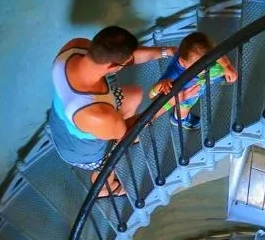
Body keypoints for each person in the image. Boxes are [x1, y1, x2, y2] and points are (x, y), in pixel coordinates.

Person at [48, 24, 174, 191]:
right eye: (125, 62)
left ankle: (115, 128)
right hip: (80, 151)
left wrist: (168, 51)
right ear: (112, 68)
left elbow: (128, 57)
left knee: (135, 94)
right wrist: (170, 103)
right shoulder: (97, 114)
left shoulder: (75, 47)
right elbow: (128, 136)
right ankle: (104, 188)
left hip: (60, 118)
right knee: (115, 151)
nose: (129, 62)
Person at [148, 30, 237, 127]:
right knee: (184, 108)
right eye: (201, 68)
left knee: (215, 69)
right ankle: (179, 120)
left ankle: (216, 77)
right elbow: (152, 96)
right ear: (183, 61)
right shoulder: (173, 75)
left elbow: (217, 54)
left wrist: (227, 66)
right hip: (186, 94)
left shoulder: (199, 58)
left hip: (199, 81)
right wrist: (161, 85)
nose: (205, 69)